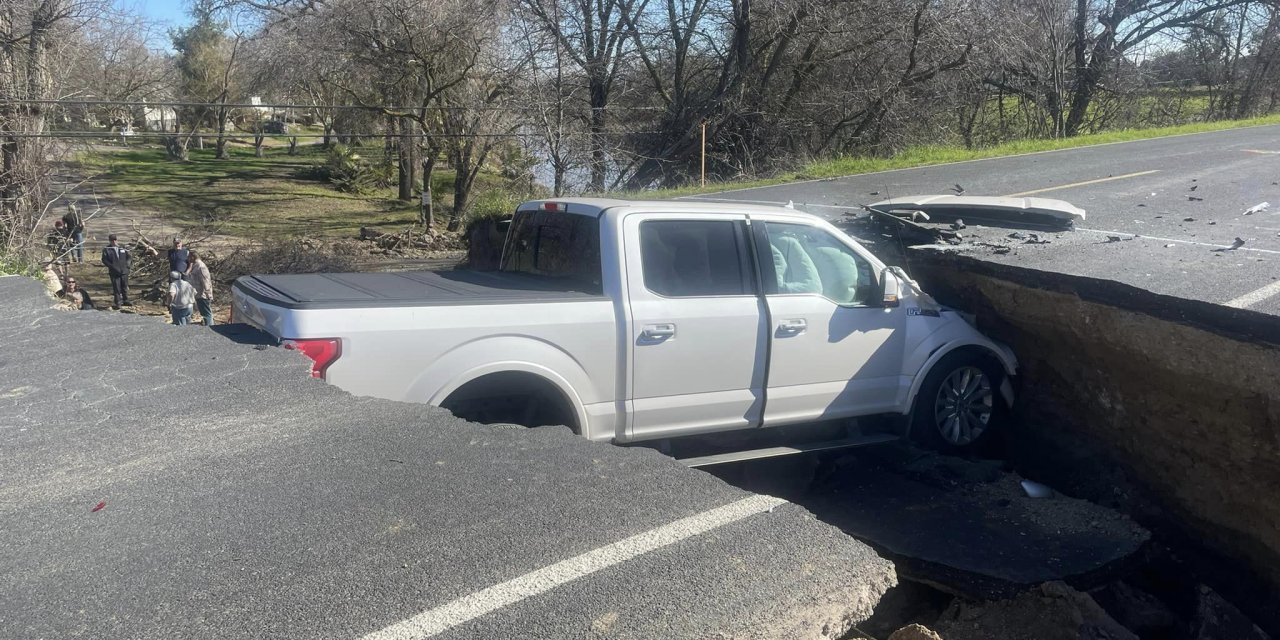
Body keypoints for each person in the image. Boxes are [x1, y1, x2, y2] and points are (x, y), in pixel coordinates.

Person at [100, 234, 132, 309]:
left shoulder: (122, 247)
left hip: (124, 270)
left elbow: (129, 257)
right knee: (117, 287)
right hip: (114, 272)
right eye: (112, 240)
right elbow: (104, 260)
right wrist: (111, 266)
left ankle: (126, 300)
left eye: (115, 240)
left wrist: (127, 265)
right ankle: (118, 302)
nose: (114, 241)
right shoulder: (107, 249)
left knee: (124, 286)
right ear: (110, 241)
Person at [187, 250, 214, 326]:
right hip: (198, 294)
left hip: (203, 295)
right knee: (203, 313)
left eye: (189, 256)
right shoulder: (195, 265)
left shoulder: (201, 267)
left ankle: (210, 328)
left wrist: (208, 294)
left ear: (193, 256)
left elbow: (206, 281)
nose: (188, 258)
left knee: (207, 314)